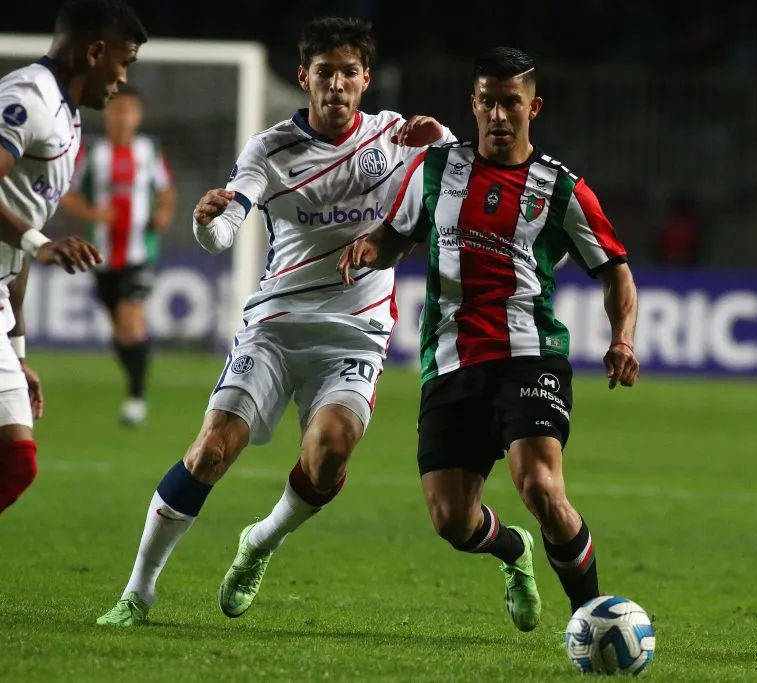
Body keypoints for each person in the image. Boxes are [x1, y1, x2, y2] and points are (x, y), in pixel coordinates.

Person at [95, 16, 455, 627]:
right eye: (324, 74)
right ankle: (138, 592)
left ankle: (260, 540)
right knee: (211, 448)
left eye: (348, 74)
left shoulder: (398, 137)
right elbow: (225, 227)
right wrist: (208, 222)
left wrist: (441, 135)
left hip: (356, 328)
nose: (336, 85)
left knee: (330, 452)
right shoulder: (270, 149)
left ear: (366, 80)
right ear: (303, 78)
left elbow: (455, 179)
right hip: (277, 322)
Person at [338, 47, 640, 631]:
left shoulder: (561, 190)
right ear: (473, 104)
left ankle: (592, 622)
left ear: (534, 107)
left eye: (512, 103)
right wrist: (375, 247)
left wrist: (622, 339)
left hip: (530, 356)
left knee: (540, 484)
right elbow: (399, 234)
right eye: (488, 102)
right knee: (452, 519)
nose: (499, 115)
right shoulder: (434, 170)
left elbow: (616, 271)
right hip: (449, 360)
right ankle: (511, 551)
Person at [0, 0, 146, 516]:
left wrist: (16, 351)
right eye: (123, 62)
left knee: (15, 461)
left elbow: (14, 245)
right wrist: (41, 244)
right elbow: (28, 240)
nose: (123, 78)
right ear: (95, 52)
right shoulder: (28, 98)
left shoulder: (70, 118)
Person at [61, 84, 176, 426]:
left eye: (129, 110)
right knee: (121, 332)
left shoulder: (149, 151)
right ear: (108, 114)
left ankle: (136, 398)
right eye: (117, 110)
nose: (123, 116)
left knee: (129, 318)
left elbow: (166, 190)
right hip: (103, 256)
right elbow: (68, 195)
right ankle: (135, 386)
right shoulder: (93, 154)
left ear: (138, 115)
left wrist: (164, 214)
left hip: (141, 252)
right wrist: (94, 214)